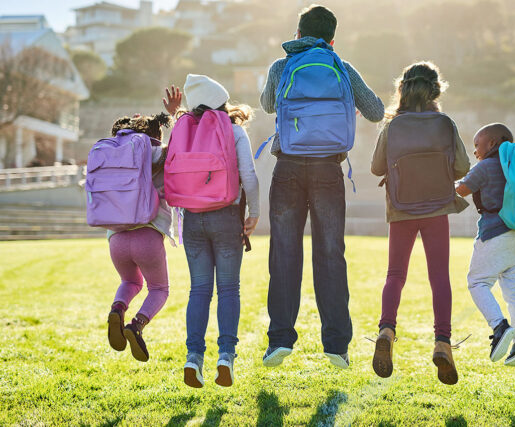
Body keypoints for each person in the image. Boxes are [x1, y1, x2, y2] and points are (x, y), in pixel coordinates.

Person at [259, 4, 385, 369]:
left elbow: (268, 105)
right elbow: (376, 111)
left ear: (297, 34)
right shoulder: (342, 67)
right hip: (329, 170)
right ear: (332, 38)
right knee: (330, 254)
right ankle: (336, 346)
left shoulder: (282, 66)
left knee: (284, 253)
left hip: (288, 168)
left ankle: (280, 340)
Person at [370, 61, 470, 384]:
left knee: (395, 274)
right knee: (439, 277)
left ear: (403, 89)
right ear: (435, 90)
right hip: (437, 209)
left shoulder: (393, 126)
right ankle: (442, 342)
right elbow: (462, 167)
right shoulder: (445, 124)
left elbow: (375, 167)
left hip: (401, 209)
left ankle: (387, 329)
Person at [163, 77, 260, 387]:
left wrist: (174, 114)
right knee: (229, 289)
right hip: (226, 216)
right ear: (223, 100)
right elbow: (249, 176)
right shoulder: (233, 130)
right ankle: (225, 357)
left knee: (199, 290)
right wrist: (254, 212)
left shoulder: (183, 128)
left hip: (192, 219)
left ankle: (193, 358)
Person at [456, 123, 515, 367]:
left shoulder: (487, 166)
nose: (475, 151)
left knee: (477, 282)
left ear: (491, 144)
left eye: (477, 145)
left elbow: (462, 190)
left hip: (495, 233)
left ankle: (499, 326)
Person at [106, 112, 174, 363]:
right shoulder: (158, 153)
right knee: (159, 288)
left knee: (131, 281)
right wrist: (174, 114)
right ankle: (136, 325)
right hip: (148, 234)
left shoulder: (115, 156)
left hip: (116, 238)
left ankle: (117, 308)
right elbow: (179, 145)